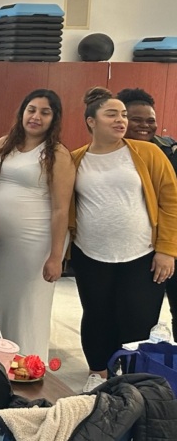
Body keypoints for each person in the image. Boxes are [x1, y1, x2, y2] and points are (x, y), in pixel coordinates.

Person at [70, 87, 177, 393]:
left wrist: (167, 250)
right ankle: (98, 374)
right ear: (91, 121)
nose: (121, 120)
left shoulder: (148, 153)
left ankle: (131, 380)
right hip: (90, 254)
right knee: (96, 315)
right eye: (112, 114)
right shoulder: (76, 159)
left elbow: (171, 201)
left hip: (142, 254)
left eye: (124, 115)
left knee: (138, 319)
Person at [0, 90, 74, 361]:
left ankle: (33, 370)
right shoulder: (5, 144)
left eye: (45, 112)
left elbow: (61, 209)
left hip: (37, 243)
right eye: (31, 109)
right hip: (4, 243)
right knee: (4, 307)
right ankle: (10, 365)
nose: (36, 117)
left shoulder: (57, 154)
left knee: (29, 309)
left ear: (54, 118)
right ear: (22, 112)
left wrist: (56, 257)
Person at [117, 88, 177, 333]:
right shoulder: (105, 153)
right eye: (136, 119)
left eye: (150, 120)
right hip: (133, 250)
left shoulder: (169, 153)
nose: (145, 126)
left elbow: (171, 204)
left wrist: (167, 249)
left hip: (168, 245)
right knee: (133, 312)